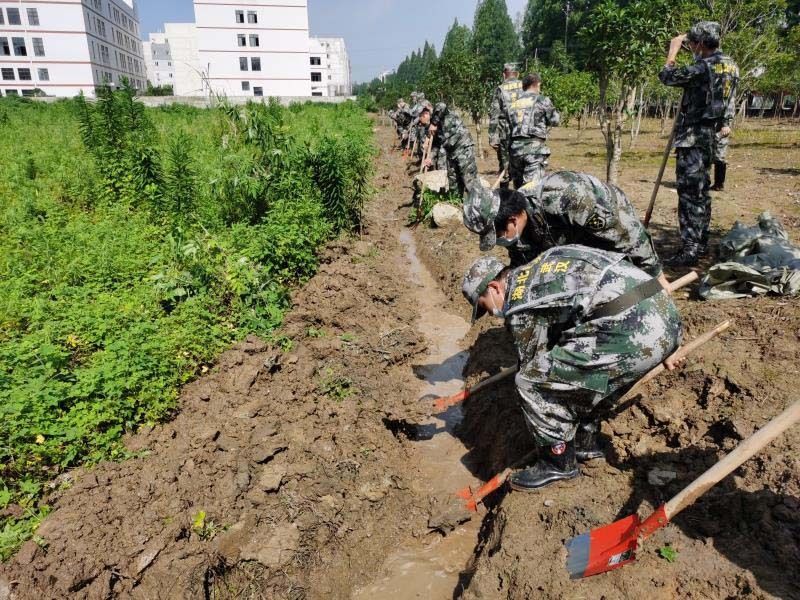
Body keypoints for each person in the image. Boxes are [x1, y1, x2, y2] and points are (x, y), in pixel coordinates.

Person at [461, 250, 683, 490]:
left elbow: (534, 367)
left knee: (529, 382)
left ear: (494, 288)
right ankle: (585, 441)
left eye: (486, 306)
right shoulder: (540, 264)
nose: (493, 315)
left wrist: (537, 425)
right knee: (585, 374)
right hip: (662, 308)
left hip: (633, 328)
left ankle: (557, 463)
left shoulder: (519, 304)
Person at [462, 172, 666, 282]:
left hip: (610, 219)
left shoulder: (566, 197)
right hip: (570, 233)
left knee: (625, 277)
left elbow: (629, 236)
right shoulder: (511, 222)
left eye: (497, 235)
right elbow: (524, 262)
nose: (500, 241)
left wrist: (655, 276)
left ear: (513, 221)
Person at [659, 21, 739, 266]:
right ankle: (701, 242)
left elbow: (667, 77)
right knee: (702, 192)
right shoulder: (731, 65)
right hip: (710, 136)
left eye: (693, 43)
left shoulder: (702, 67)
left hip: (693, 136)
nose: (690, 47)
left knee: (690, 194)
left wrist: (672, 52)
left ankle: (691, 248)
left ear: (702, 44)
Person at [506, 73, 560, 189]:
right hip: (534, 150)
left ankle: (520, 207)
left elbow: (507, 129)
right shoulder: (542, 100)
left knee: (519, 189)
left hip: (515, 151)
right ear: (536, 84)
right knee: (532, 189)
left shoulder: (513, 104)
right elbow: (555, 120)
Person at [421, 102, 479, 196]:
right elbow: (436, 145)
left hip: (463, 147)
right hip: (451, 153)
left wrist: (434, 122)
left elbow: (442, 105)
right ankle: (456, 204)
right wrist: (430, 158)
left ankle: (476, 207)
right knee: (453, 182)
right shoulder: (431, 128)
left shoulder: (439, 113)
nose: (422, 123)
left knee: (469, 181)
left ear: (426, 114)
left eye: (421, 118)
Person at [489, 63, 523, 186]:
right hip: (522, 132)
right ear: (517, 74)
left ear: (504, 75)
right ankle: (521, 197)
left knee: (505, 167)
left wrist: (493, 137)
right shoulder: (525, 86)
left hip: (505, 133)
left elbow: (494, 114)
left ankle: (505, 198)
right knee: (521, 166)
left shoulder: (501, 89)